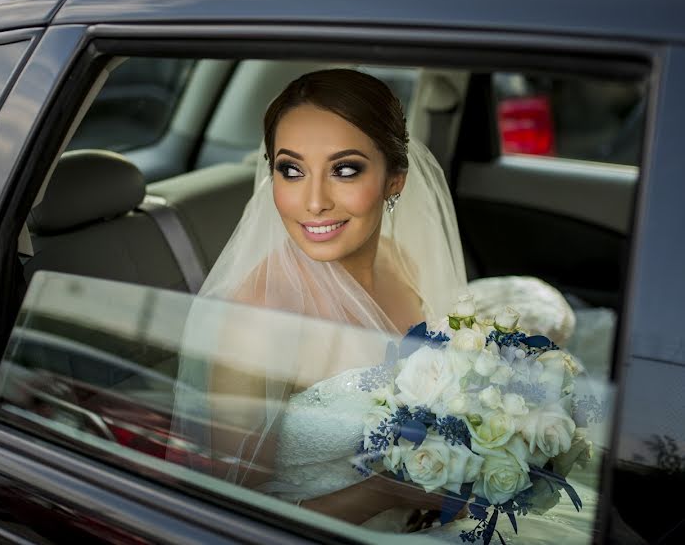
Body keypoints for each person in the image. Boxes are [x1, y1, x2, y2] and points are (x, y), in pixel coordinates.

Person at [171, 69, 596, 541]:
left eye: (345, 169)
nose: (313, 201)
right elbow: (236, 516)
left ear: (395, 179)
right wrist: (389, 493)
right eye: (291, 170)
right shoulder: (256, 320)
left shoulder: (401, 261)